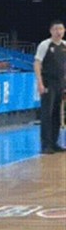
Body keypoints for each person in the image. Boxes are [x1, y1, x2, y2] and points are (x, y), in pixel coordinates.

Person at [34, 20, 66, 154]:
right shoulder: (45, 44)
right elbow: (37, 63)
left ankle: (54, 142)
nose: (58, 32)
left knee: (57, 114)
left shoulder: (64, 45)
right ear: (51, 31)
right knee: (47, 113)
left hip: (60, 83)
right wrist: (40, 82)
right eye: (56, 29)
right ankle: (46, 144)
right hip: (48, 82)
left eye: (61, 29)